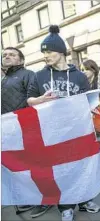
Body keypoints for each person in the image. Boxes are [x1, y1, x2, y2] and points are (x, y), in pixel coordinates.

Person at [27, 25, 100, 221]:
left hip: (77, 130)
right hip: (52, 132)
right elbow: (29, 100)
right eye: (44, 52)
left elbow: (88, 101)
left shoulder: (79, 76)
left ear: (60, 52)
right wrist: (40, 100)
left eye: (48, 51)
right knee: (61, 170)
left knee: (81, 166)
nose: (46, 55)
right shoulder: (40, 75)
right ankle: (65, 207)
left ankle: (85, 200)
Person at [1, 47, 43, 217]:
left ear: (21, 60)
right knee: (19, 166)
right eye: (4, 55)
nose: (6, 57)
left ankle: (43, 199)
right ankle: (29, 197)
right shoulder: (4, 79)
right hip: (9, 130)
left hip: (26, 127)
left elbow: (32, 99)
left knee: (34, 165)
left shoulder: (28, 74)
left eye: (11, 54)